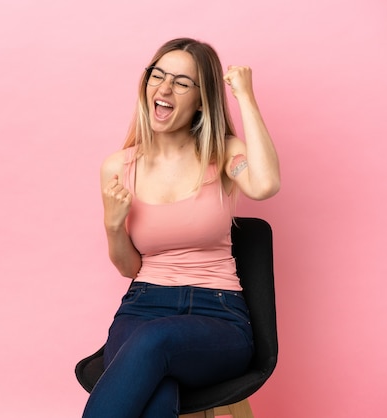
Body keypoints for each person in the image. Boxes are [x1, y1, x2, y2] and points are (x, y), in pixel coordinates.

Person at [81, 38, 280, 418]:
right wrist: (112, 223)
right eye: (157, 75)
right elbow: (129, 268)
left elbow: (265, 184)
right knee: (157, 386)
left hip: (218, 314)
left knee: (154, 343)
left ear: (203, 100)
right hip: (142, 307)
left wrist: (245, 98)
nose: (165, 88)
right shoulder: (118, 168)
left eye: (182, 82)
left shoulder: (223, 154)